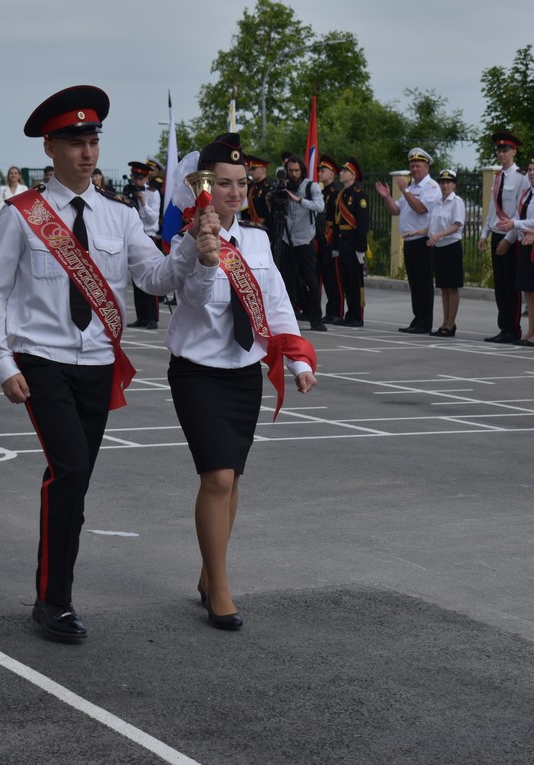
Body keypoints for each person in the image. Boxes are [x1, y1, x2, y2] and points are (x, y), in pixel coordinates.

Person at [0, 85, 213, 642]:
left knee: (73, 482)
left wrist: (189, 245)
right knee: (70, 470)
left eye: (93, 141)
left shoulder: (119, 216)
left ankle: (54, 590)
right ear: (50, 150)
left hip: (97, 362)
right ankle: (53, 601)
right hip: (42, 360)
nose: (87, 153)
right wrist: (2, 362)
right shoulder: (23, 216)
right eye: (75, 142)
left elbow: (153, 279)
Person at [166, 133, 317, 630]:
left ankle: (210, 573)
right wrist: (208, 258)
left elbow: (276, 303)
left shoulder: (256, 239)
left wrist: (298, 362)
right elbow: (195, 301)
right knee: (217, 477)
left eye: (241, 184)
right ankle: (222, 589)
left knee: (233, 480)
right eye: (223, 184)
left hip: (242, 372)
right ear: (204, 190)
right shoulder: (185, 241)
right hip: (197, 372)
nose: (235, 193)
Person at [378, 148, 441, 334]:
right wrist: (387, 197)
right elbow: (396, 211)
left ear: (426, 167)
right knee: (414, 283)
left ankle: (425, 322)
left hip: (424, 240)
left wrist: (405, 190)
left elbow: (420, 208)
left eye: (418, 166)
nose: (414, 169)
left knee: (423, 283)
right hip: (410, 240)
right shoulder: (412, 188)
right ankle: (417, 319)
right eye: (412, 166)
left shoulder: (431, 187)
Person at [480, 132, 527, 343]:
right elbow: (492, 206)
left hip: (512, 237)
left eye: (506, 150)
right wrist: (484, 233)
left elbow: (520, 210)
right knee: (500, 285)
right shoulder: (498, 176)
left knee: (511, 285)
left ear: (514, 152)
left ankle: (513, 328)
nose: (502, 154)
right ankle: (503, 326)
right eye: (499, 150)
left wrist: (509, 238)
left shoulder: (521, 177)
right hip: (497, 234)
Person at [502, 153, 534, 346]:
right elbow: (518, 215)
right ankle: (531, 330)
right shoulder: (526, 193)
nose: (532, 173)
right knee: (528, 290)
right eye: (530, 170)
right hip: (524, 243)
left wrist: (514, 223)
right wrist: (508, 238)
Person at [277, 155, 327, 331]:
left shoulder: (310, 186)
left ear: (302, 170)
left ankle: (316, 319)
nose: (293, 174)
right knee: (287, 280)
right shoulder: (284, 186)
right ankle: (288, 318)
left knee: (310, 279)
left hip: (305, 239)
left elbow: (320, 206)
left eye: (296, 170)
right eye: (290, 171)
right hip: (286, 238)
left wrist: (298, 200)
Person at [422, 169, 466, 337]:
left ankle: (450, 323)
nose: (445, 185)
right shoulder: (438, 202)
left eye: (448, 182)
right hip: (439, 247)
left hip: (451, 246)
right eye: (442, 182)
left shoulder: (457, 202)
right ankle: (444, 322)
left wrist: (439, 235)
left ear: (454, 185)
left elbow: (457, 225)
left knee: (452, 287)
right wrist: (417, 231)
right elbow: (433, 226)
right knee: (444, 287)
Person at [123, 161, 163, 328]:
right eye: (135, 176)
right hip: (133, 236)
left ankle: (152, 317)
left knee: (150, 276)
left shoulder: (153, 193)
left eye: (140, 177)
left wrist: (144, 203)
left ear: (146, 177)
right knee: (136, 278)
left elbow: (153, 219)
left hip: (148, 236)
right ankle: (142, 316)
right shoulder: (128, 191)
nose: (137, 180)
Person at [332, 157, 370, 327]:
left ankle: (357, 316)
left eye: (345, 171)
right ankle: (350, 313)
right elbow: (337, 222)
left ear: (353, 175)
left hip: (354, 243)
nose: (341, 173)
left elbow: (362, 225)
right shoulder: (342, 195)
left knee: (355, 281)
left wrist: (361, 248)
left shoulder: (359, 196)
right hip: (342, 243)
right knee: (345, 280)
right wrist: (335, 246)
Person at [316, 154, 343, 323]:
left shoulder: (336, 193)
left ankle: (337, 311)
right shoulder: (321, 192)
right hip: (321, 236)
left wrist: (334, 240)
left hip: (331, 237)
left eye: (323, 171)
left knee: (334, 279)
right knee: (325, 277)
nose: (319, 173)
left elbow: (337, 219)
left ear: (332, 174)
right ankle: (330, 311)